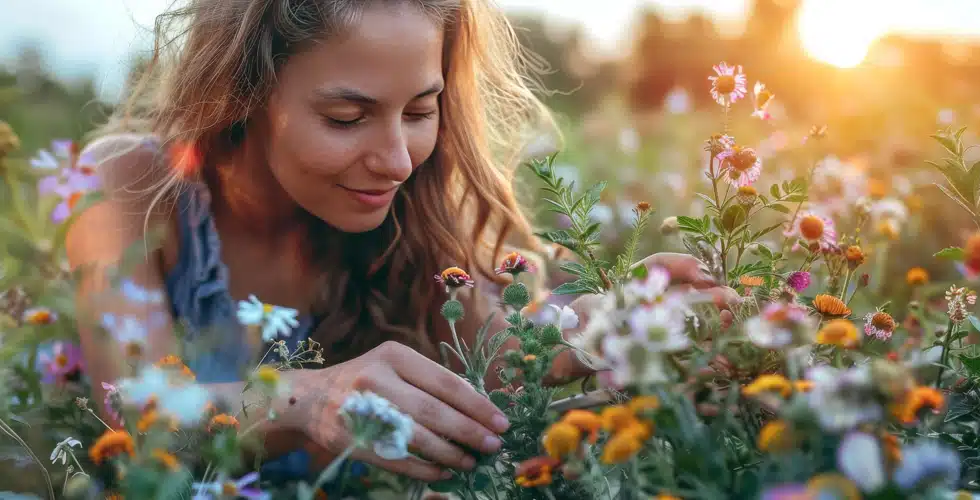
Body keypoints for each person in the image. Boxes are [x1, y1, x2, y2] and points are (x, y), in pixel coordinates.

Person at [67, 0, 737, 486]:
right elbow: (136, 415)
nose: (396, 159)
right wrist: (305, 398)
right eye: (347, 118)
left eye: (421, 111)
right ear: (243, 95)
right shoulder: (128, 186)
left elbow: (500, 362)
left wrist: (602, 327)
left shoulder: (410, 207)